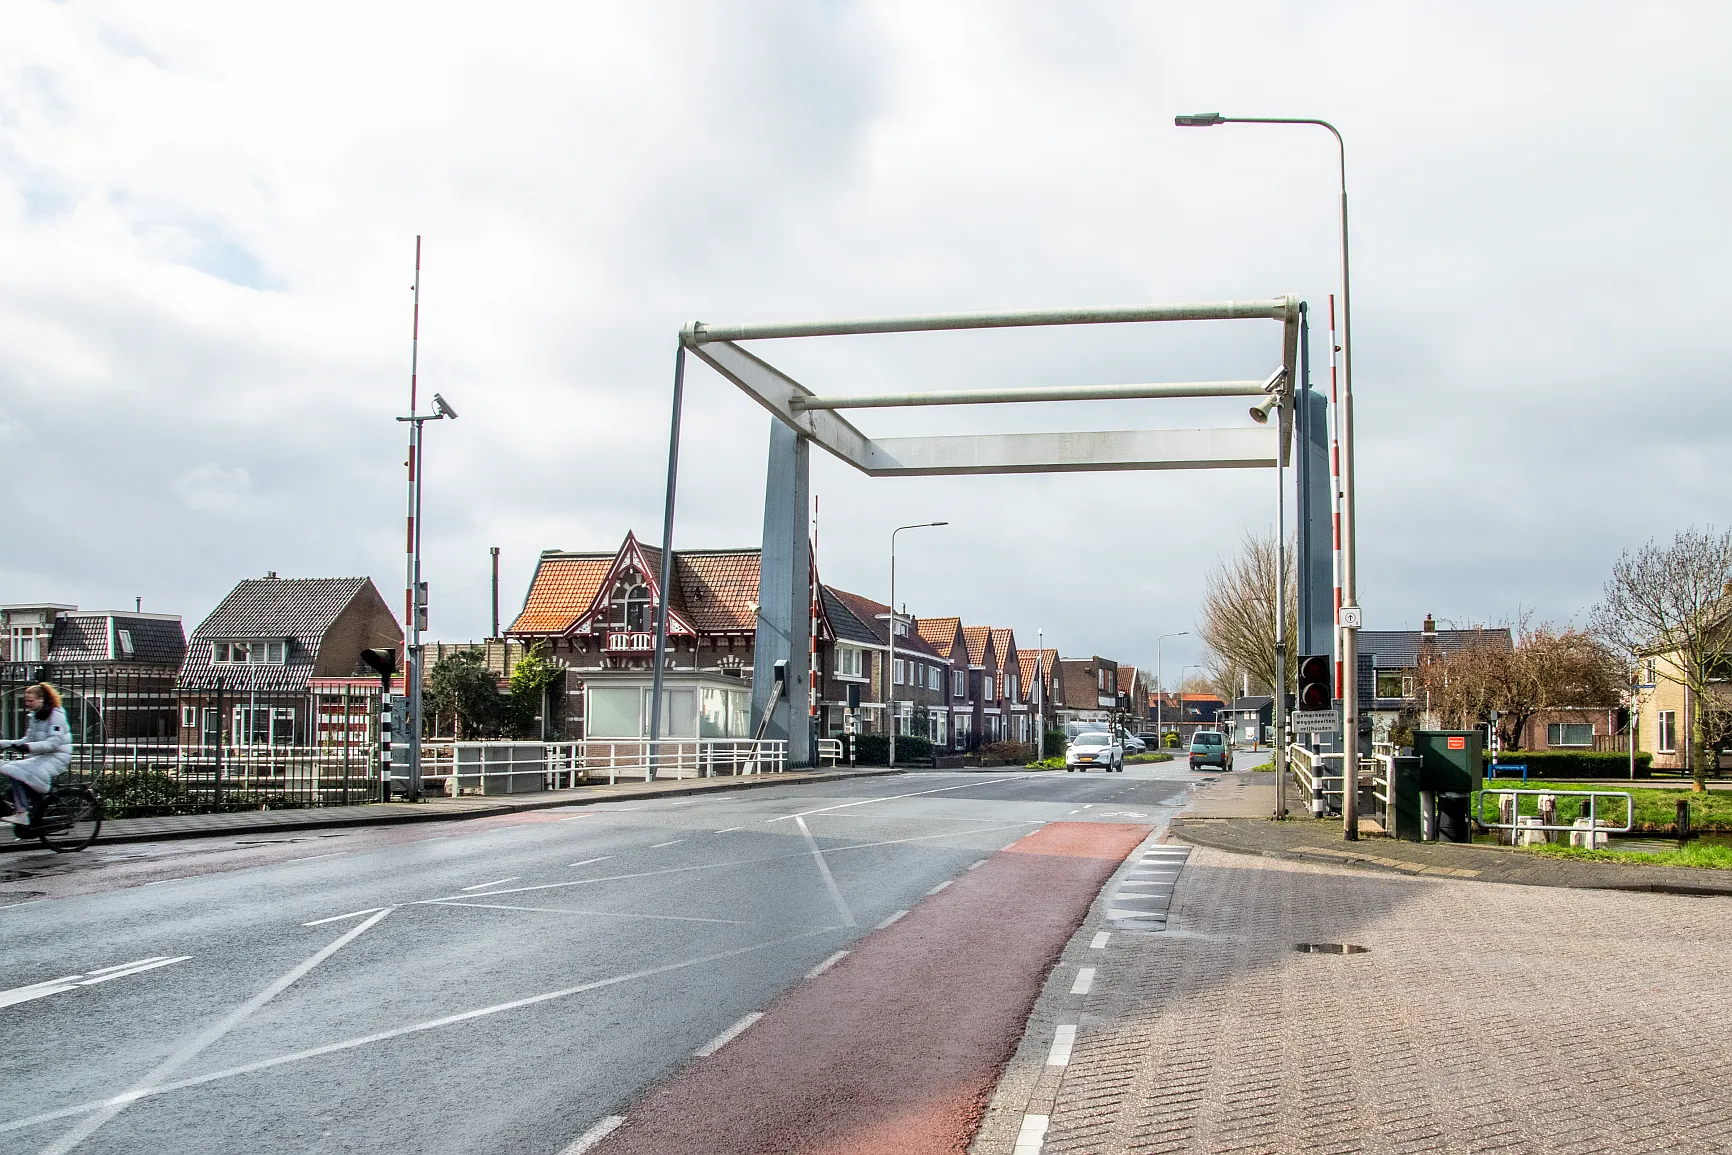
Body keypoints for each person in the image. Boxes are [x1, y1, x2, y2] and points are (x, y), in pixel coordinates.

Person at [2, 683, 73, 825]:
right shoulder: (36, 716)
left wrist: (27, 747)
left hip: (56, 757)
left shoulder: (55, 715)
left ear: (41, 699)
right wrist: (5, 744)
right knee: (17, 776)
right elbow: (27, 740)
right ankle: (34, 820)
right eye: (26, 701)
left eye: (30, 701)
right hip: (41, 756)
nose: (27, 704)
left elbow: (53, 743)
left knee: (13, 770)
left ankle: (22, 813)